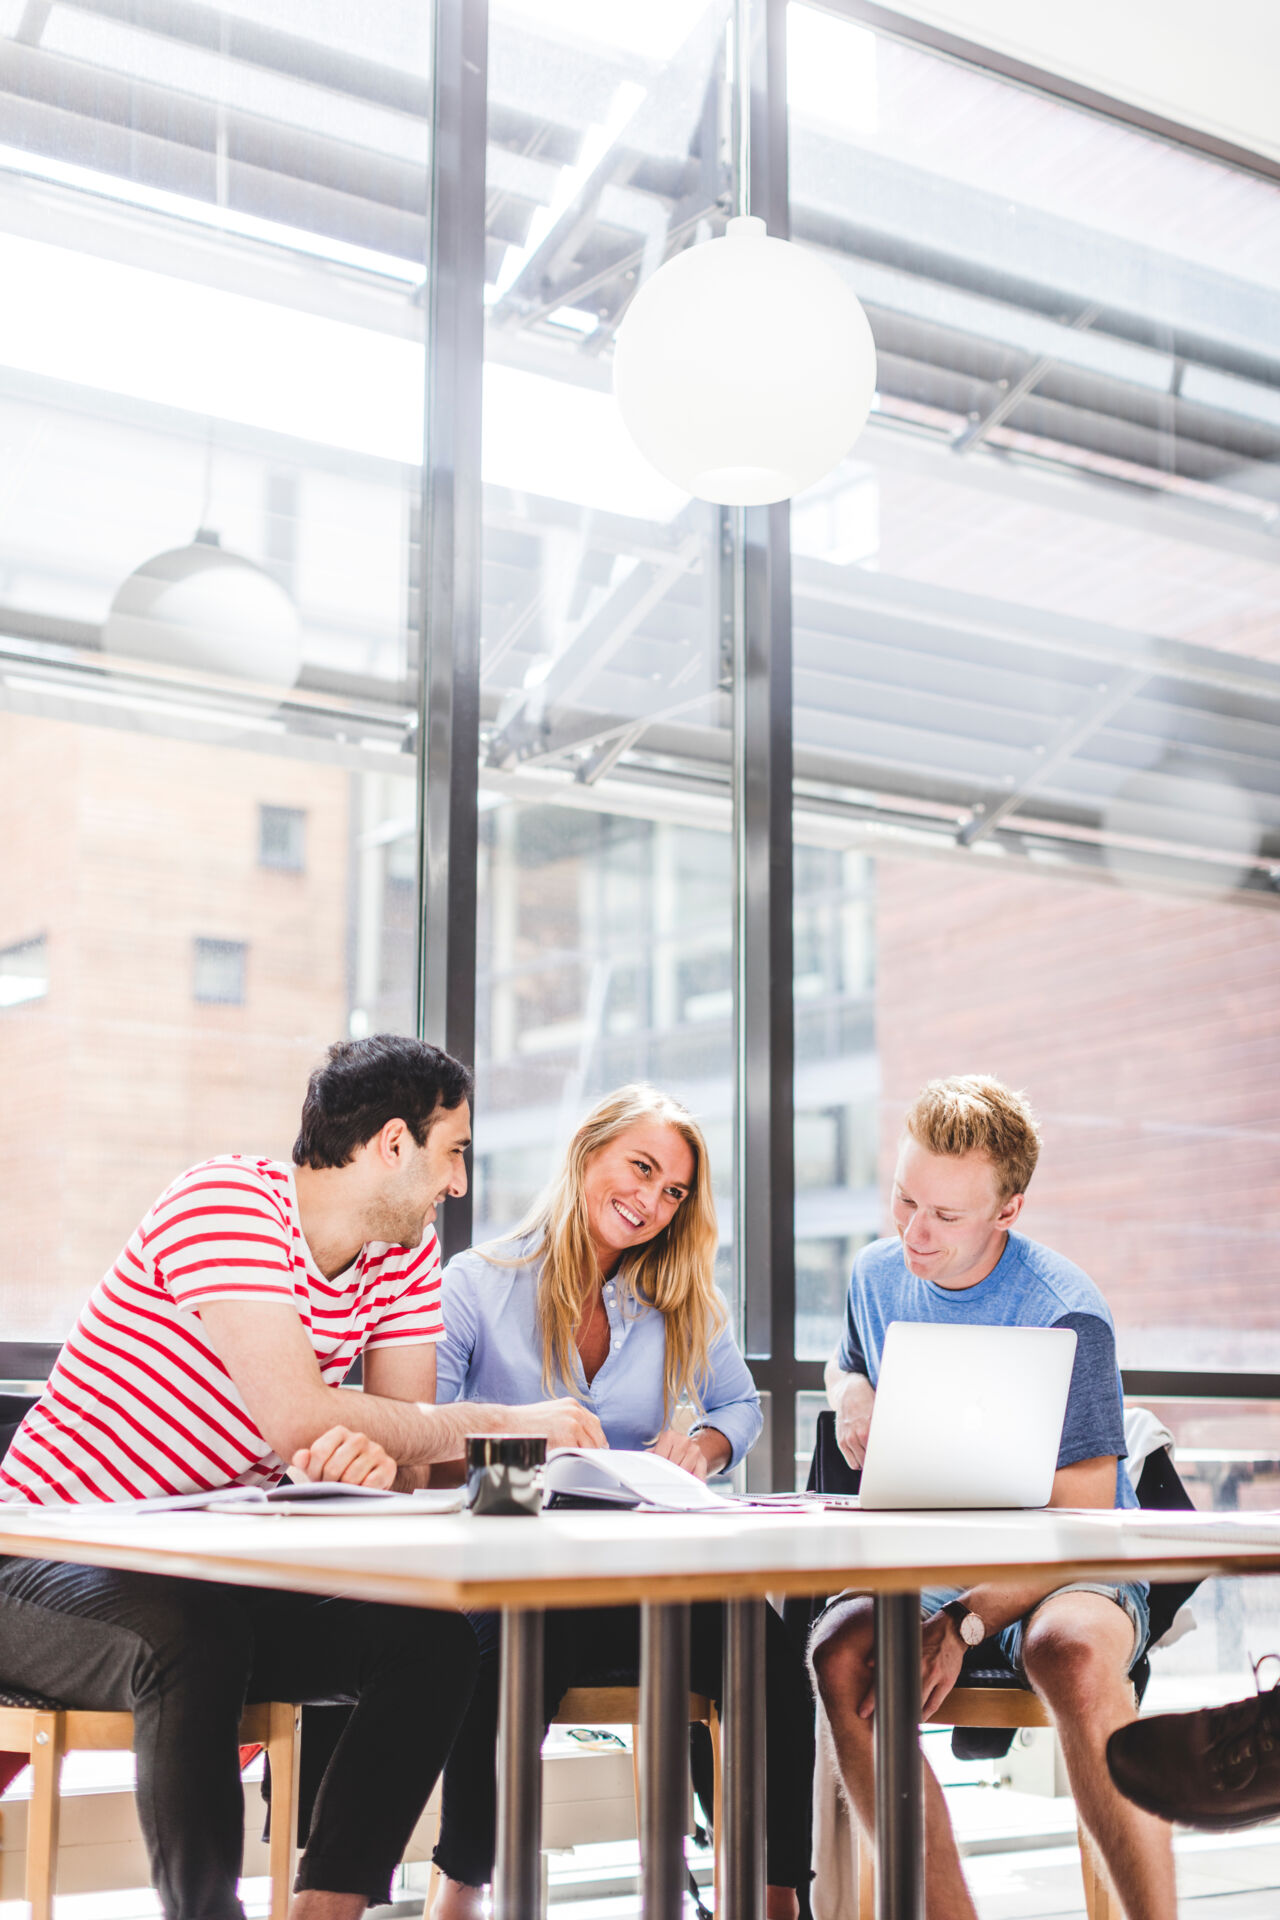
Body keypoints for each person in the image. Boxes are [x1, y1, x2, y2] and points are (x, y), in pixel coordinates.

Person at [0, 1033, 605, 1920]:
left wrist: (372, 1462)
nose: (459, 1184)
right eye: (455, 1153)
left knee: (431, 1641)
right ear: (394, 1143)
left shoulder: (401, 1259)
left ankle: (326, 1910)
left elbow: (404, 1462)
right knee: (191, 1634)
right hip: (39, 1560)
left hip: (206, 1574)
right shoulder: (227, 1204)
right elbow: (300, 1417)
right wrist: (505, 1423)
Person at [428, 1083, 815, 1920]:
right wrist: (527, 1440)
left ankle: (777, 1901)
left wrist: (702, 1448)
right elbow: (425, 1437)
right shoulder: (475, 1283)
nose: (651, 1201)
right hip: (520, 1563)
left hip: (642, 1568)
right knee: (504, 1660)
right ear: (587, 1152)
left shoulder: (675, 1295)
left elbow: (739, 1408)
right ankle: (459, 1896)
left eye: (673, 1190)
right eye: (641, 1169)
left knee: (774, 1657)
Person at [809, 1075, 1175, 1920]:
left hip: (1069, 1562)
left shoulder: (1066, 1311)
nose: (914, 1234)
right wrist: (848, 1390)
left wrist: (966, 1622)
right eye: (904, 1202)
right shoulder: (876, 1274)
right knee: (841, 1655)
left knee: (1070, 1652)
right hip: (931, 1555)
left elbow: (1085, 1516)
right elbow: (847, 1358)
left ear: (1007, 1212)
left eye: (944, 1217)